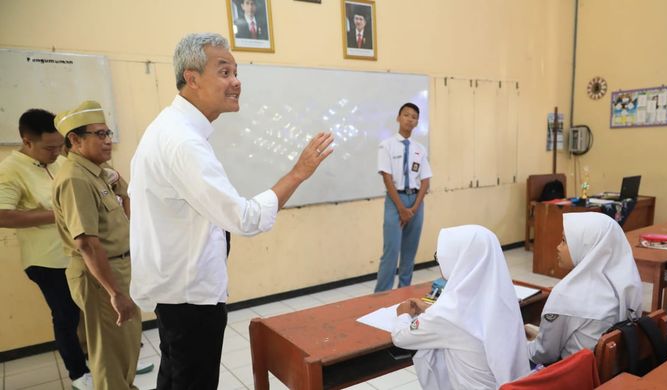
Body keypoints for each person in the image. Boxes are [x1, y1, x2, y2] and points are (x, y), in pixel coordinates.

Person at [128, 32, 333, 389]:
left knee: (177, 376)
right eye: (224, 72)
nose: (236, 82)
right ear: (192, 78)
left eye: (236, 72)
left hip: (176, 290)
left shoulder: (173, 128)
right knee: (192, 380)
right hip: (189, 297)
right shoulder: (182, 142)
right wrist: (299, 172)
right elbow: (245, 218)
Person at [51, 100, 142, 389]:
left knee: (126, 347)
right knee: (110, 355)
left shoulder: (96, 173)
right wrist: (114, 291)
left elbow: (126, 205)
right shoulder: (76, 179)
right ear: (75, 140)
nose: (108, 141)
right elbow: (87, 244)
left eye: (108, 133)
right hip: (101, 277)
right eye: (100, 135)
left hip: (118, 268)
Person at [0, 109, 92, 387]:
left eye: (59, 145)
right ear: (27, 142)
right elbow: (3, 215)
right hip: (47, 261)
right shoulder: (10, 170)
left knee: (95, 310)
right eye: (49, 147)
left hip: (77, 253)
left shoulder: (59, 161)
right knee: (65, 316)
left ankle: (107, 361)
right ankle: (79, 374)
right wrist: (58, 214)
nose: (57, 152)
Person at [391, 225, 530, 389]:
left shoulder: (447, 313)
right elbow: (467, 319)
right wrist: (430, 309)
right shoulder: (503, 295)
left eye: (440, 256)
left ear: (459, 259)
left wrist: (403, 314)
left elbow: (401, 337)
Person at [526, 212, 643, 365]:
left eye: (564, 241)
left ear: (586, 246)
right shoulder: (627, 284)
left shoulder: (566, 295)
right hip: (609, 373)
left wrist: (520, 346)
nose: (558, 247)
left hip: (571, 376)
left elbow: (543, 354)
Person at [375, 103, 432, 292]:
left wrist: (414, 208)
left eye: (414, 116)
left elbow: (425, 181)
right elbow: (387, 178)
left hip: (415, 202)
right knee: (391, 253)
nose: (410, 119)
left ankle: (403, 293)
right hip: (395, 201)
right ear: (398, 118)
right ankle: (381, 296)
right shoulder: (387, 145)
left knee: (409, 254)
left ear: (417, 122)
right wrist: (401, 208)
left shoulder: (420, 149)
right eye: (406, 115)